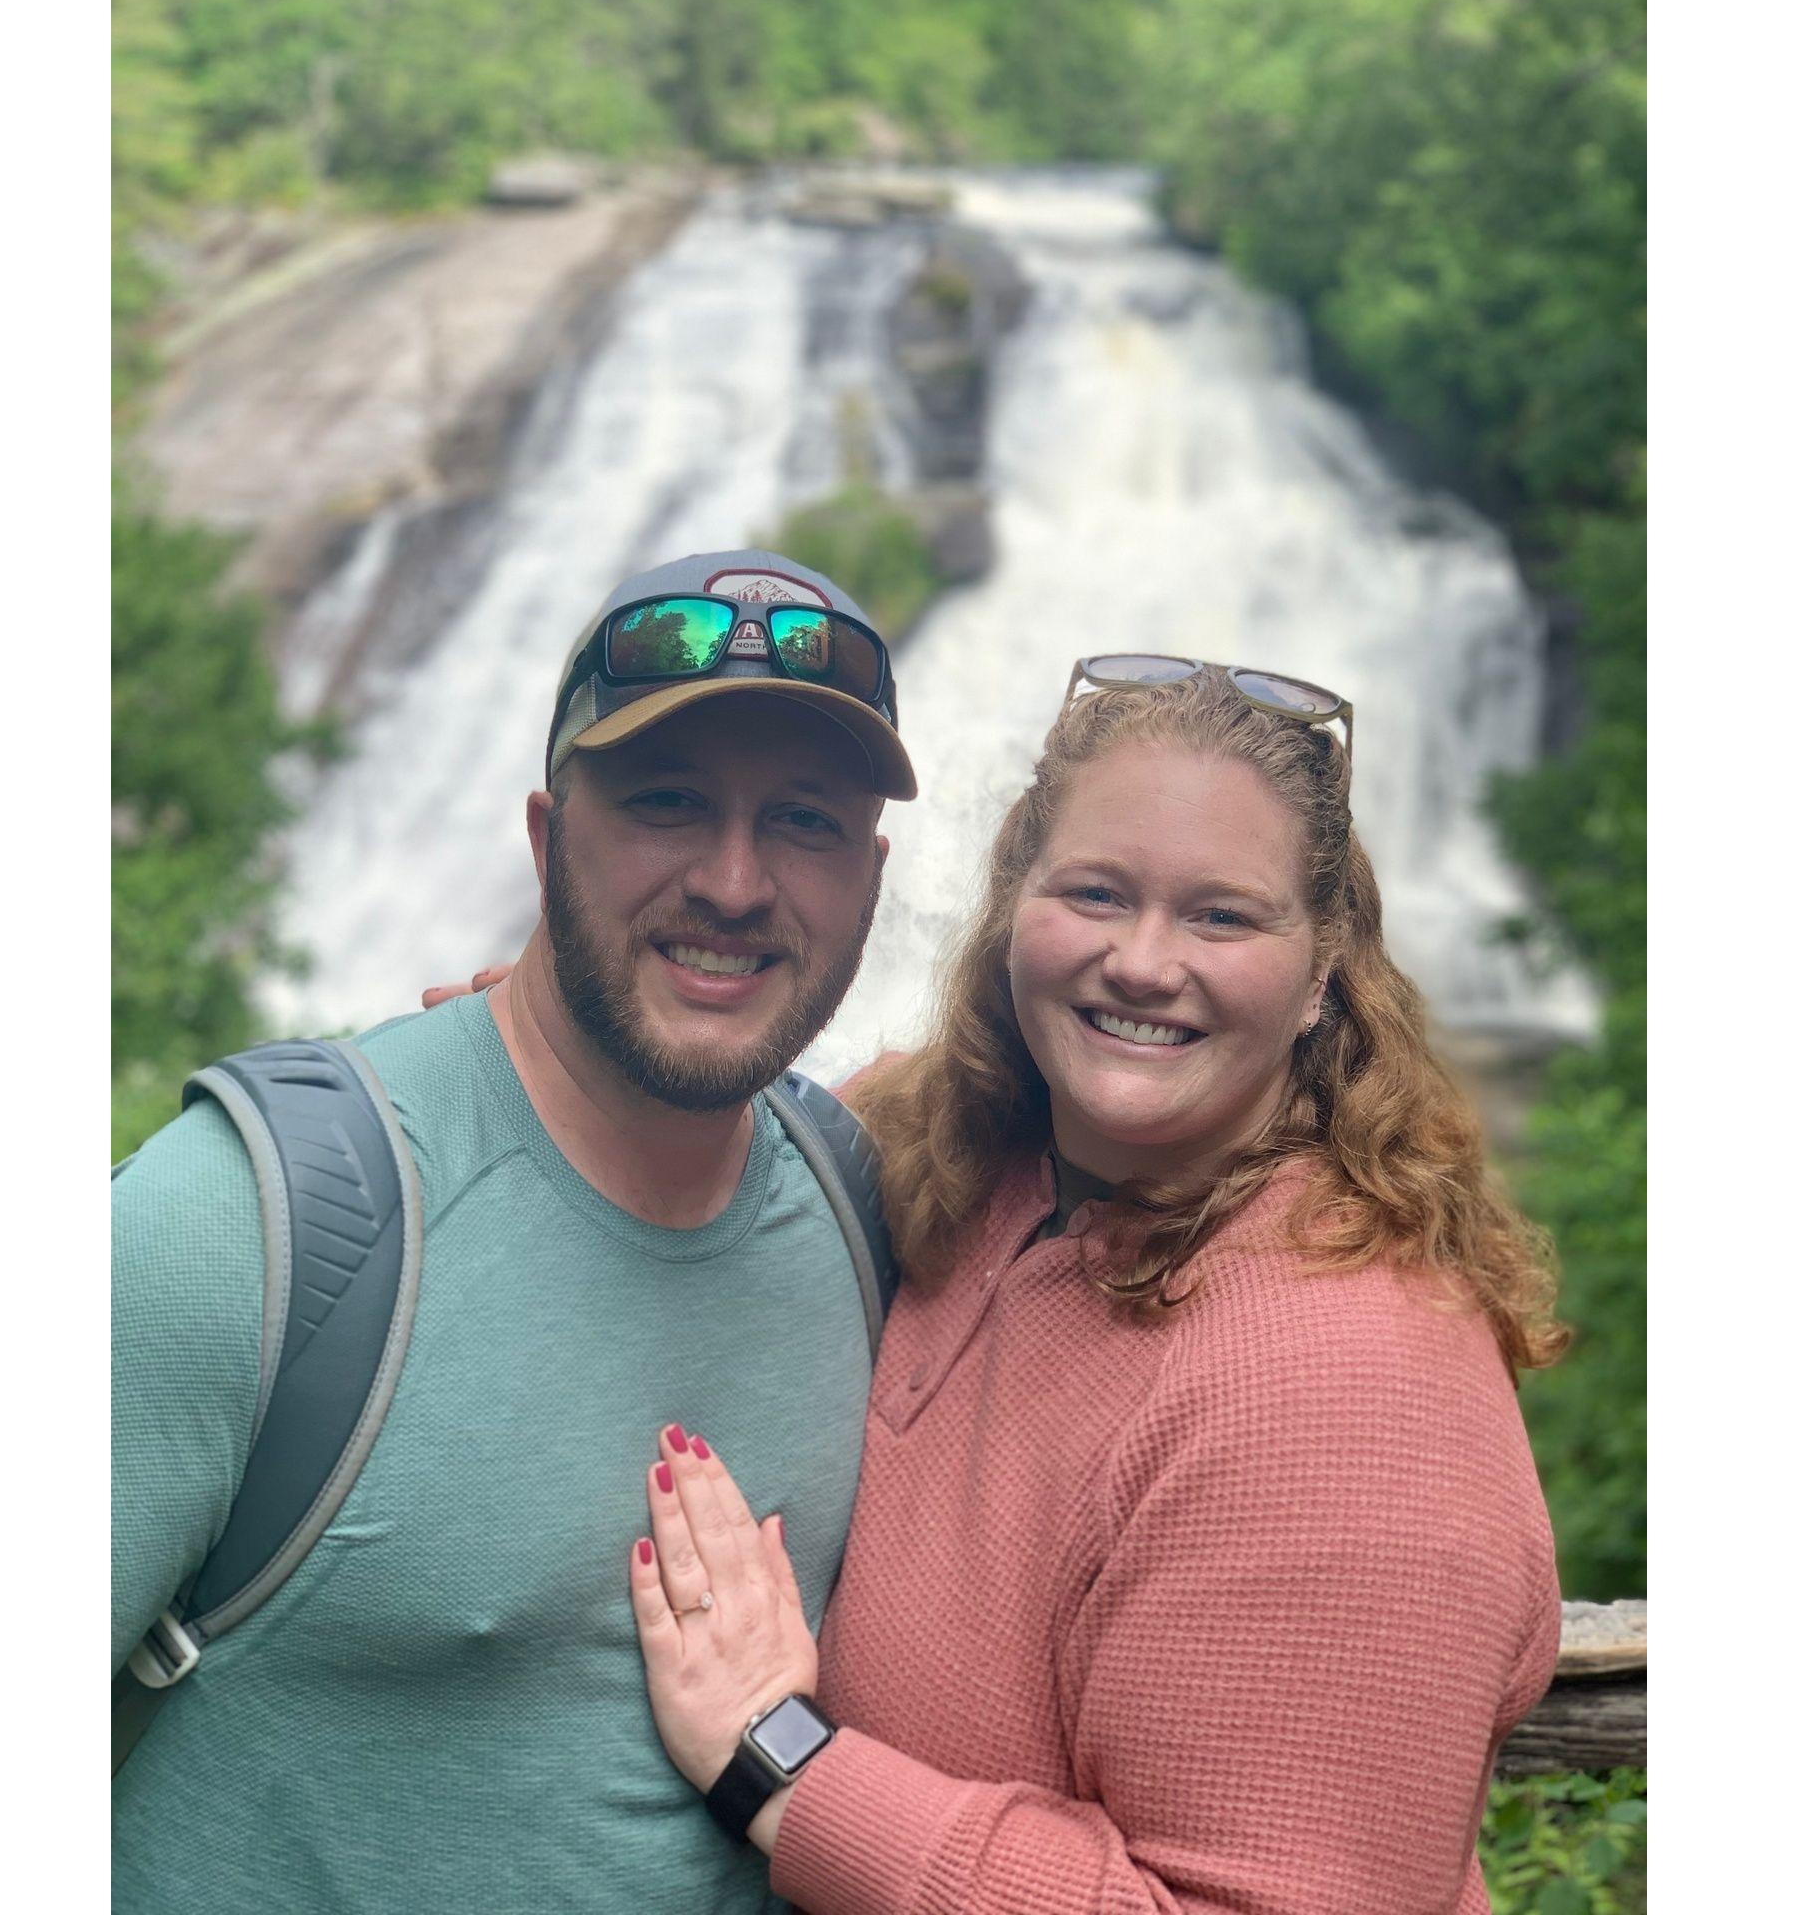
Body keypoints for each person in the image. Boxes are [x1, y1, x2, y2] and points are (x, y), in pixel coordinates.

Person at [601, 657, 1564, 1913]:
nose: (1142, 961)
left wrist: (775, 1758)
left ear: (1323, 969)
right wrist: (571, 1065)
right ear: (1016, 903)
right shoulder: (951, 1148)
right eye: (1096, 892)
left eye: (1221, 916)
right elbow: (716, 1147)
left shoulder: (1352, 1385)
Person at [111, 550, 917, 1914]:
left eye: (804, 822)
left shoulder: (869, 1212)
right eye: (667, 802)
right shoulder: (245, 1225)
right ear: (547, 840)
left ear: (871, 879)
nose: (734, 882)